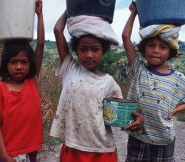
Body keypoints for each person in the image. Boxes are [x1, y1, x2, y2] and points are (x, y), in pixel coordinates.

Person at [122, 2, 185, 162]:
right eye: (151, 45)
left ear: (170, 53)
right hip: (138, 137)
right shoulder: (138, 70)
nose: (156, 50)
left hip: (164, 139)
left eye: (163, 47)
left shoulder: (177, 78)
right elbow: (125, 37)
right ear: (144, 50)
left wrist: (174, 111)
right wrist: (133, 13)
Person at [50, 11, 136, 162]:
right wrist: (70, 9)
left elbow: (121, 119)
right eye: (83, 49)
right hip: (73, 148)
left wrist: (136, 119)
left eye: (95, 49)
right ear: (76, 51)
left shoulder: (109, 83)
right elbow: (58, 30)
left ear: (103, 52)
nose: (89, 55)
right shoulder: (70, 68)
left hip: (102, 151)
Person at [0, 0, 44, 162]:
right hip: (6, 155)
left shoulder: (31, 82)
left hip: (29, 153)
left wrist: (39, 15)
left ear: (30, 64)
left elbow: (41, 44)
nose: (19, 66)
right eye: (13, 62)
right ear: (5, 64)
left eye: (24, 62)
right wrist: (5, 156)